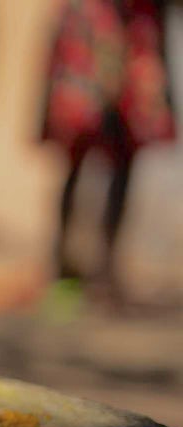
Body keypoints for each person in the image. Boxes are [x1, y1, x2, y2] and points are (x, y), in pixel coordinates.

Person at [42, 0, 175, 309]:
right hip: (93, 25)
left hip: (135, 32)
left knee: (124, 151)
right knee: (77, 146)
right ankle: (63, 269)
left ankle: (106, 271)